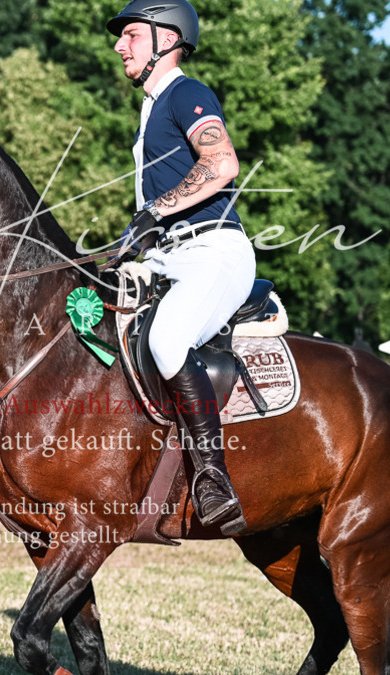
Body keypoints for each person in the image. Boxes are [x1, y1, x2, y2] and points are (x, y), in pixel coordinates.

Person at [108, 0, 255, 535]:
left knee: (168, 342)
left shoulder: (187, 93)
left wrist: (155, 211)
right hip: (171, 257)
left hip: (215, 251)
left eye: (131, 36)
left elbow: (221, 164)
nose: (120, 46)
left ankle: (213, 478)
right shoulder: (150, 109)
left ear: (167, 39)